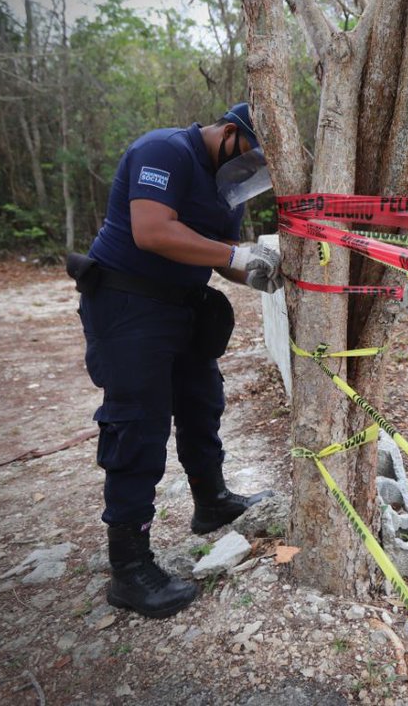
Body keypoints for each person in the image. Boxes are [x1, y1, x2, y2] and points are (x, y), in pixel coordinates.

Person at [72, 102, 281, 619]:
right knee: (137, 425)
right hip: (127, 304)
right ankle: (130, 568)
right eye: (253, 160)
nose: (253, 175)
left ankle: (211, 501)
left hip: (183, 306)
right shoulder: (162, 150)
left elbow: (222, 249)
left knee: (201, 402)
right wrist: (233, 257)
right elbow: (153, 231)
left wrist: (263, 269)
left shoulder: (226, 183)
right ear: (231, 135)